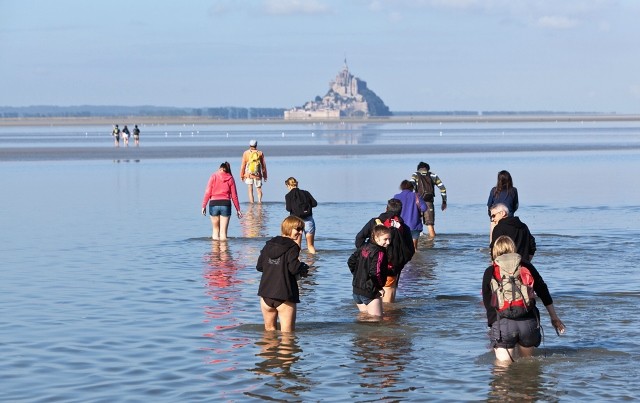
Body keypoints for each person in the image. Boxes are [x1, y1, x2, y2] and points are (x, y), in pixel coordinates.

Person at [482, 235, 566, 363]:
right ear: (513, 248)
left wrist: (493, 327)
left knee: (502, 371)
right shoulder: (526, 266)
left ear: (494, 252)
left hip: (503, 324)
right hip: (528, 323)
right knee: (528, 366)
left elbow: (488, 304)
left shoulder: (491, 271)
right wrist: (554, 318)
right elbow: (543, 291)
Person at [355, 199, 415, 303]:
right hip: (391, 269)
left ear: (386, 209)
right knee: (388, 307)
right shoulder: (404, 228)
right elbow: (410, 251)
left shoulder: (374, 222)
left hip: (371, 267)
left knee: (370, 302)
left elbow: (359, 239)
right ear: (401, 211)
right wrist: (400, 263)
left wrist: (367, 253)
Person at [256, 216, 310, 332]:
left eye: (302, 230)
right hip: (285, 295)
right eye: (298, 229)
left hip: (266, 295)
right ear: (289, 228)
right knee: (287, 337)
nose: (300, 233)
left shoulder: (268, 245)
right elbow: (293, 269)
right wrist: (303, 268)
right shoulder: (293, 247)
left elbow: (260, 266)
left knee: (269, 333)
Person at [348, 225, 392, 317]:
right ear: (376, 238)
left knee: (363, 319)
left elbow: (351, 262)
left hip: (356, 290)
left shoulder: (363, 247)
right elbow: (376, 273)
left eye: (389, 239)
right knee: (376, 322)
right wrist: (379, 287)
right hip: (370, 291)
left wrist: (357, 275)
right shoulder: (379, 252)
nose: (388, 242)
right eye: (385, 239)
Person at [201, 161, 243, 240]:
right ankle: (224, 251)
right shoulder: (230, 178)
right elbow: (234, 196)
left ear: (219, 168)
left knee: (215, 231)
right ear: (227, 169)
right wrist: (238, 209)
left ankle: (215, 251)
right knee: (223, 233)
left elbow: (207, 192)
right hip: (225, 204)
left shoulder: (213, 176)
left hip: (213, 204)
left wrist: (203, 206)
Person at [410, 162, 447, 238]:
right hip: (429, 202)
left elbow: (411, 185)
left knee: (416, 226)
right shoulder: (433, 175)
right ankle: (432, 245)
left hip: (417, 202)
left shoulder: (416, 174)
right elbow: (442, 188)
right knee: (430, 226)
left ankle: (417, 246)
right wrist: (444, 202)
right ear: (428, 168)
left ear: (418, 168)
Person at [284, 177, 318, 254]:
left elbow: (288, 209)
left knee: (297, 245)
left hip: (296, 222)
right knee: (310, 245)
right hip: (308, 220)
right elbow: (314, 203)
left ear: (288, 185)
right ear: (297, 184)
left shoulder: (288, 195)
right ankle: (312, 264)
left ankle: (297, 264)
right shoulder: (306, 193)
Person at [393, 179, 427, 250]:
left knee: (402, 247)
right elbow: (424, 208)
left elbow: (392, 210)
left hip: (400, 225)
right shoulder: (416, 196)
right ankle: (415, 260)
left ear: (401, 188)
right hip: (414, 224)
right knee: (414, 249)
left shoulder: (396, 197)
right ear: (412, 188)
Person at [488, 170, 519, 240]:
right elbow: (516, 205)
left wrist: (492, 217)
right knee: (509, 240)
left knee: (493, 241)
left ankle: (492, 249)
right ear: (509, 179)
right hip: (509, 218)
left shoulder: (494, 190)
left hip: (496, 218)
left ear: (499, 180)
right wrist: (511, 213)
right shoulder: (513, 190)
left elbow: (489, 205)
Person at [240, 139, 267, 203]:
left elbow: (243, 165)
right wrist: (265, 175)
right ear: (256, 145)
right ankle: (259, 202)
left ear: (250, 145)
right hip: (258, 175)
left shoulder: (246, 153)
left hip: (249, 174)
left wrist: (242, 175)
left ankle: (251, 204)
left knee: (250, 189)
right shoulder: (260, 153)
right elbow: (263, 165)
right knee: (259, 189)